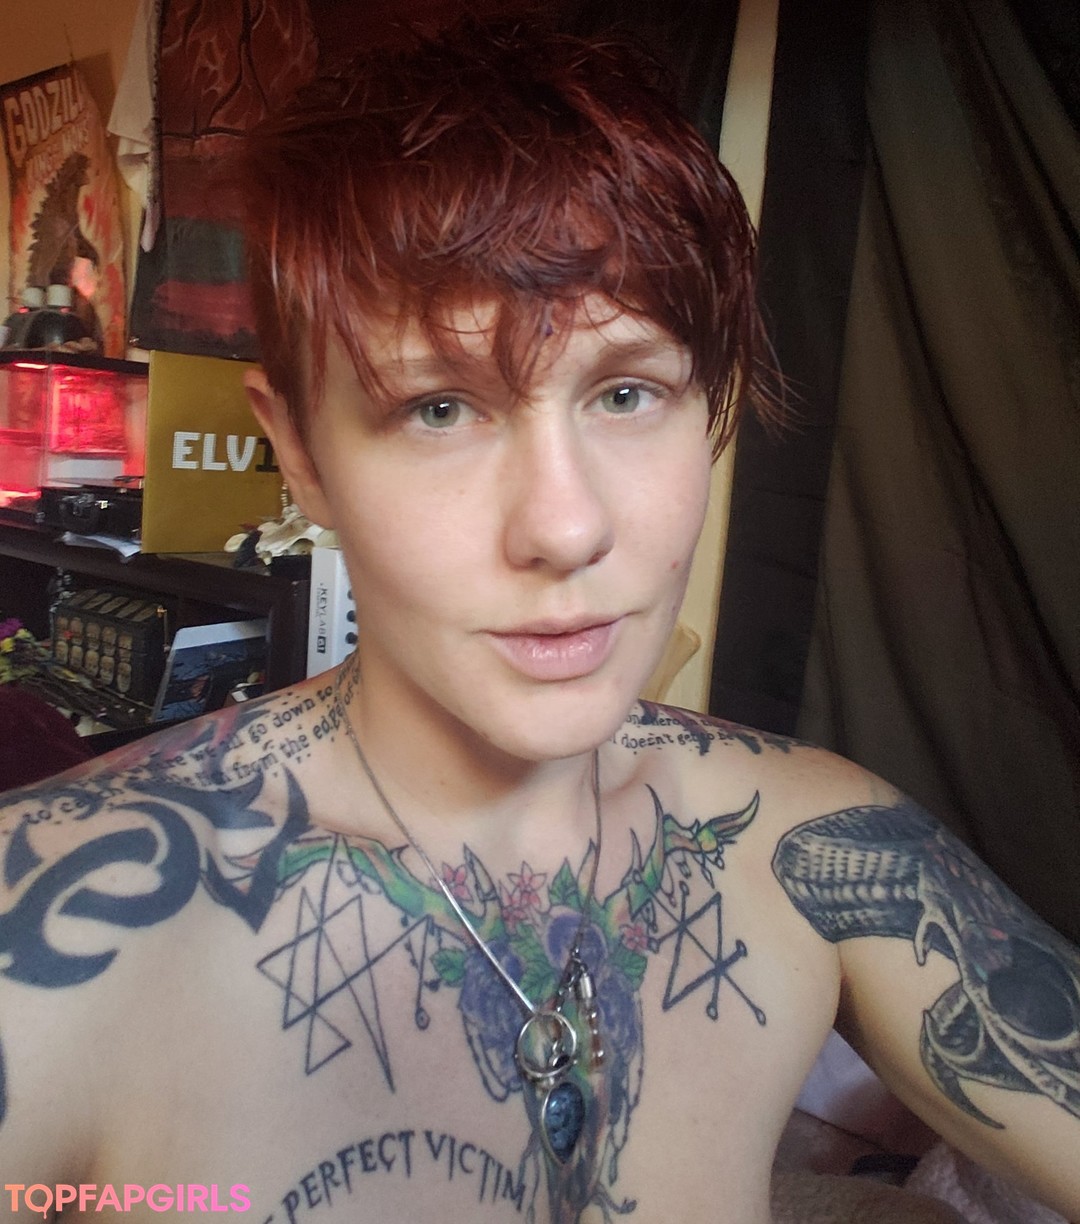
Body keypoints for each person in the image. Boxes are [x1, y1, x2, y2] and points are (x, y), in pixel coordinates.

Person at [1, 20, 1078, 1224]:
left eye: (627, 393)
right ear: (298, 451)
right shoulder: (53, 936)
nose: (565, 529)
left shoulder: (814, 847)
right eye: (439, 408)